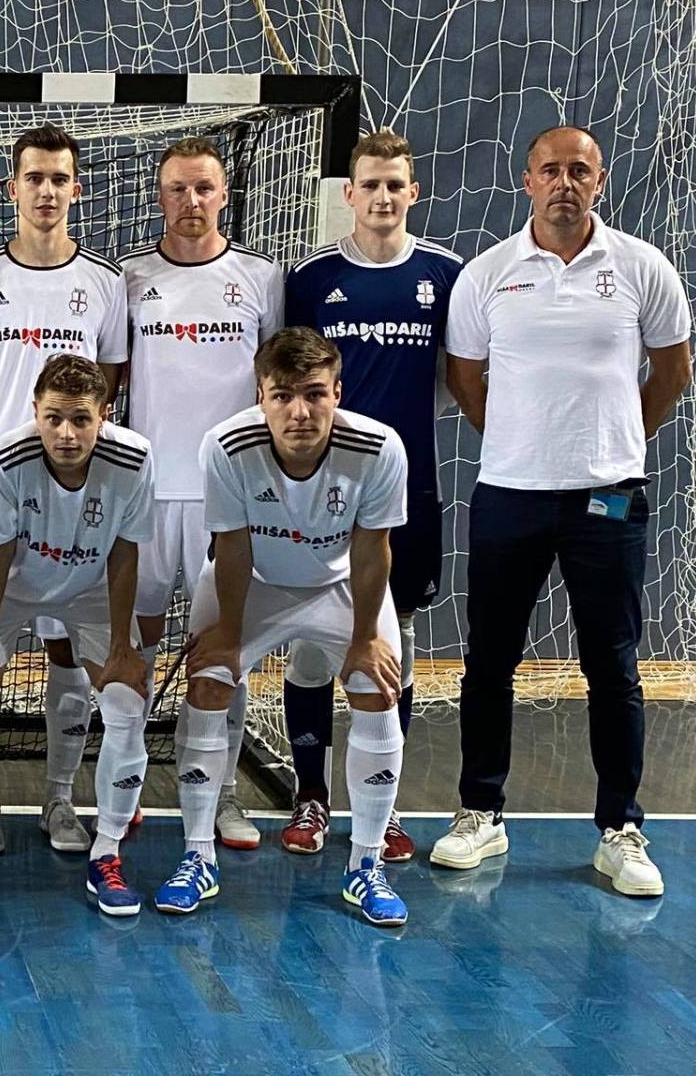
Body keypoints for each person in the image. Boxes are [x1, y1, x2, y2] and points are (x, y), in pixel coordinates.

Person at [435, 126, 692, 898]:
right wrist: (519, 443)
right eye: (551, 169)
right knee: (489, 660)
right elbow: (465, 376)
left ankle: (621, 828)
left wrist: (615, 443)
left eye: (579, 170)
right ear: (527, 181)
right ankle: (481, 811)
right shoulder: (488, 274)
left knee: (612, 665)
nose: (564, 183)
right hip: (509, 493)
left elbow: (672, 370)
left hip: (607, 498)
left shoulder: (642, 267)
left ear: (599, 181)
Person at [165, 327, 411, 927]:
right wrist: (227, 635)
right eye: (282, 396)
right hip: (254, 582)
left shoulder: (380, 447)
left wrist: (364, 639)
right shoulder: (225, 445)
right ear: (261, 397)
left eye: (314, 394)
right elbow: (231, 545)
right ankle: (197, 857)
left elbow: (372, 550)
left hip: (339, 584)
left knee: (377, 686)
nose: (299, 412)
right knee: (209, 683)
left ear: (337, 394)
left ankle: (366, 864)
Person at [0, 124, 128, 856]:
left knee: (66, 651)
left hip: (73, 495)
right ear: (11, 188)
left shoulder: (104, 284)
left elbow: (111, 385)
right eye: (34, 178)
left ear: (75, 190)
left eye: (58, 179)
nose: (46, 191)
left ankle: (58, 799)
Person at [280, 130, 463, 861]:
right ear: (348, 194)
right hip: (317, 491)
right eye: (371, 185)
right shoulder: (311, 278)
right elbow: (291, 384)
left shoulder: (445, 275)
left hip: (409, 486)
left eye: (395, 185)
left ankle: (380, 809)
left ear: (412, 193)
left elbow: (456, 375)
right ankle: (310, 794)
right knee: (311, 641)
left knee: (395, 639)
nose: (383, 197)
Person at [0, 356, 155, 917]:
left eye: (80, 419)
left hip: (90, 584)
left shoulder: (135, 458)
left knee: (127, 704)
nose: (66, 433)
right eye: (53, 418)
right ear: (35, 412)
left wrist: (122, 648)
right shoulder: (6, 458)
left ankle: (101, 848)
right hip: (10, 583)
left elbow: (125, 551)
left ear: (104, 415)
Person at [121, 136, 284, 852]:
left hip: (230, 502)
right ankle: (123, 785)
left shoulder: (262, 278)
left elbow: (278, 387)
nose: (192, 201)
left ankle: (221, 795)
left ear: (224, 194)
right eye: (178, 188)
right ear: (160, 196)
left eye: (204, 188)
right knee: (134, 646)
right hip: (148, 498)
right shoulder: (128, 279)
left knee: (224, 651)